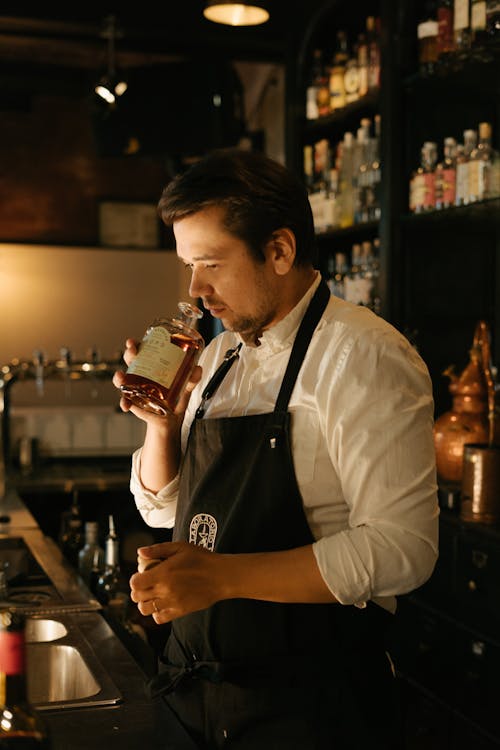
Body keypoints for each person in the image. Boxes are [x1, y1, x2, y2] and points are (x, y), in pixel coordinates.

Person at [113, 148, 439, 749]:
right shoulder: (216, 358)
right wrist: (161, 426)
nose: (196, 289)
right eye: (188, 266)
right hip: (196, 693)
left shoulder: (363, 355)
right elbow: (166, 511)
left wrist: (221, 578)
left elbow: (403, 550)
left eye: (210, 263)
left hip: (309, 708)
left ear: (281, 250)